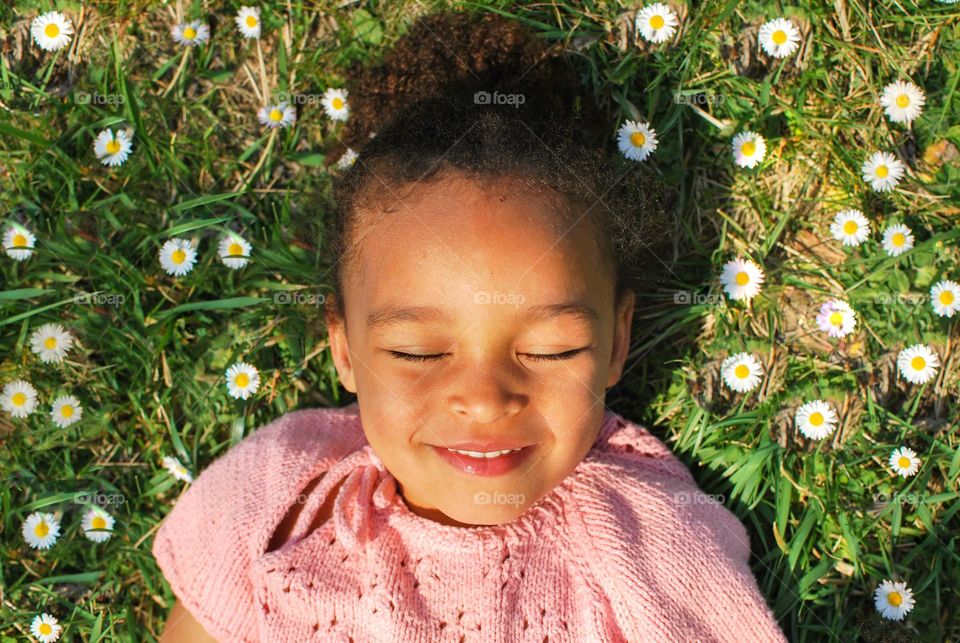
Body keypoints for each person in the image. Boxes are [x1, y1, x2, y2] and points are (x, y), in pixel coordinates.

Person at [154, 9, 788, 642]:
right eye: (418, 352)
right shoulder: (285, 499)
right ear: (344, 349)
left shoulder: (651, 543)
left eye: (552, 350)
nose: (485, 401)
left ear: (617, 342)